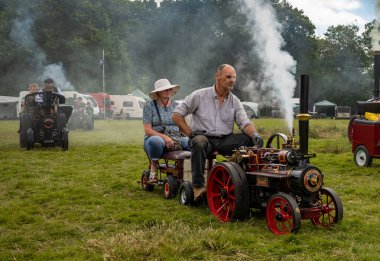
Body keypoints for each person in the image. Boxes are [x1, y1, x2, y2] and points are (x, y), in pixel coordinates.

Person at [172, 64, 263, 199]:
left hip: (224, 140)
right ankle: (198, 186)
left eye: (234, 77)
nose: (232, 80)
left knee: (249, 140)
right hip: (202, 138)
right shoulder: (199, 95)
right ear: (217, 76)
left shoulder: (235, 101)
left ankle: (240, 182)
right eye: (228, 77)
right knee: (199, 141)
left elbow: (245, 123)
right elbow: (176, 115)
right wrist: (190, 133)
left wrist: (255, 134)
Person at [143, 79, 190, 184]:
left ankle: (186, 172)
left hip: (176, 138)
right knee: (156, 141)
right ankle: (153, 168)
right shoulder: (149, 106)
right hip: (155, 139)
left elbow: (182, 126)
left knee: (191, 142)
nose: (168, 91)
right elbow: (147, 130)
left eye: (169, 89)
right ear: (158, 92)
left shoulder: (177, 106)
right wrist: (165, 138)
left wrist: (192, 136)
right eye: (164, 89)